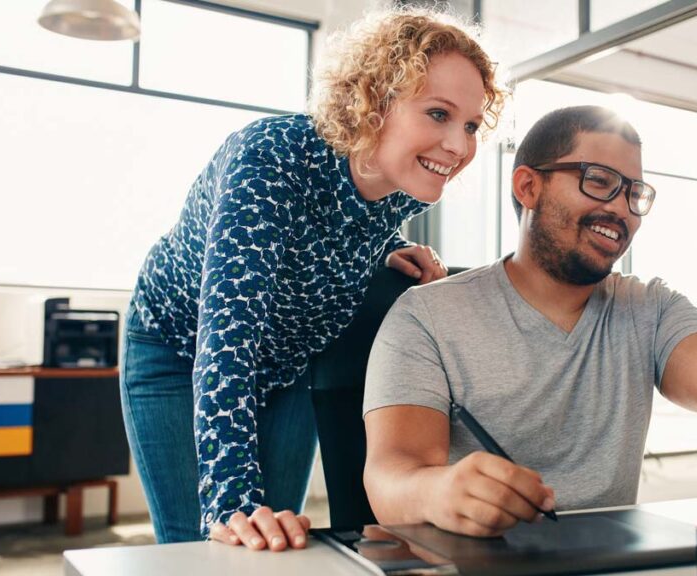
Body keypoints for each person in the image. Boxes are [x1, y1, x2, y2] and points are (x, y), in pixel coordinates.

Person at [119, 7, 506, 550]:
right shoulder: (269, 160)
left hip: (288, 365)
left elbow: (326, 229)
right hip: (181, 354)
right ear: (372, 100)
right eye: (438, 114)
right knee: (209, 545)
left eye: (469, 125)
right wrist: (231, 501)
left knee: (277, 544)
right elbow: (228, 337)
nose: (460, 146)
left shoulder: (396, 186)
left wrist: (385, 250)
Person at [362, 105, 697, 537]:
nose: (622, 210)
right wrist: (439, 490)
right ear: (528, 186)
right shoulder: (425, 316)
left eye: (634, 194)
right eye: (599, 181)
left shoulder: (651, 308)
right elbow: (392, 477)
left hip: (608, 566)